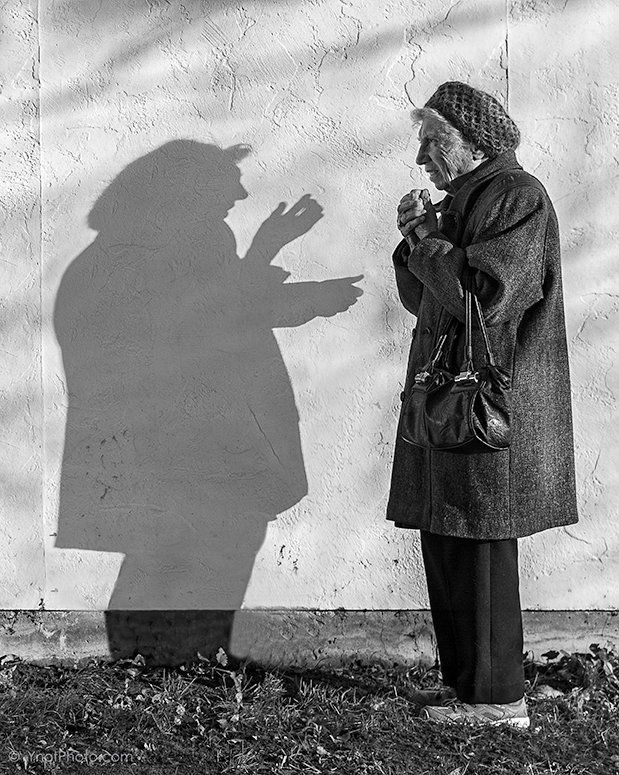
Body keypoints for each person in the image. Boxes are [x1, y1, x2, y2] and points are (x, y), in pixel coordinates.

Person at [387, 82, 579, 728]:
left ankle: (498, 700)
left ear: (473, 143)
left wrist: (428, 241)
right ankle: (469, 688)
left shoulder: (515, 198)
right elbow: (427, 299)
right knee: (448, 536)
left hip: (490, 401)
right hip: (452, 399)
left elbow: (482, 296)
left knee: (481, 543)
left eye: (432, 141)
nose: (421, 158)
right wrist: (419, 235)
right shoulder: (467, 200)